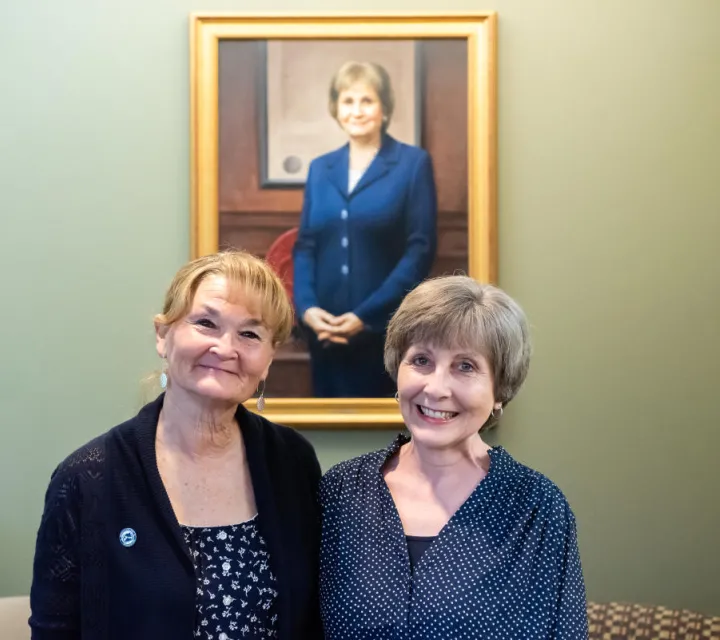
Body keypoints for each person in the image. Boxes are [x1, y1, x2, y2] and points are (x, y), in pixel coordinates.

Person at [29, 250, 323, 640]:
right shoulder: (87, 479)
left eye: (250, 334)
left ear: (268, 360)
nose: (225, 348)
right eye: (206, 323)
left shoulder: (292, 463)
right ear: (162, 335)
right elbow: (55, 631)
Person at [318, 275, 589, 639]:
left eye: (466, 366)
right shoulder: (341, 493)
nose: (436, 388)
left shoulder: (538, 508)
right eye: (422, 360)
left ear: (499, 388)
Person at [292, 60, 438, 398]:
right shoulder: (320, 169)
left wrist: (364, 316)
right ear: (336, 108)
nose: (356, 111)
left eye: (367, 101)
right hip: (324, 334)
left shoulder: (412, 164)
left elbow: (420, 249)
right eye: (348, 101)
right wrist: (309, 310)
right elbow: (306, 246)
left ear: (384, 108)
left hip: (384, 332)